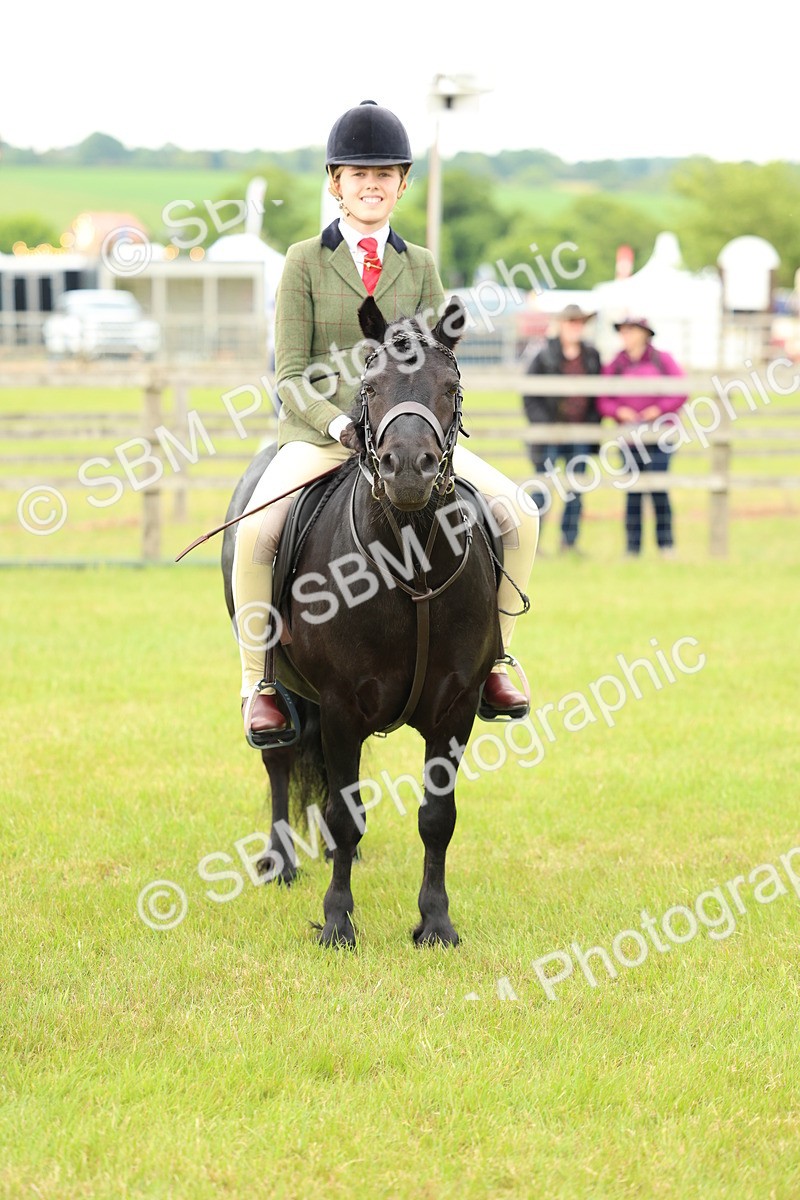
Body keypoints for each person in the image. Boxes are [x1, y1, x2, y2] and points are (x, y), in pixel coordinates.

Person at [233, 100, 539, 746]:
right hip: (325, 439)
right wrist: (341, 428)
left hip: (408, 441)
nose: (370, 185)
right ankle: (259, 682)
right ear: (334, 183)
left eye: (384, 175)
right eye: (356, 174)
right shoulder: (303, 262)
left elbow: (439, 358)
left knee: (518, 512)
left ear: (402, 183)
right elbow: (289, 373)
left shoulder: (421, 264)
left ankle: (497, 660)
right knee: (257, 532)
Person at [598, 316, 688, 557]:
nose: (625, 335)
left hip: (659, 435)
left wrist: (658, 409)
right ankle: (633, 547)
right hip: (629, 437)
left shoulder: (662, 360)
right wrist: (619, 411)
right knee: (633, 492)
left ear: (643, 334)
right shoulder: (617, 364)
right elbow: (603, 398)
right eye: (623, 331)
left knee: (659, 489)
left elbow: (681, 391)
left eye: (631, 330)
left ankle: (666, 544)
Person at [522, 303, 601, 554]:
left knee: (575, 489)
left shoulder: (591, 355)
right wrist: (544, 425)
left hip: (580, 433)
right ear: (562, 325)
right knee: (543, 489)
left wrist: (591, 423)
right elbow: (530, 395)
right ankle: (534, 542)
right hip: (550, 435)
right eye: (571, 322)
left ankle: (569, 541)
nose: (575, 328)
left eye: (580, 323)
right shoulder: (544, 355)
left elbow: (598, 393)